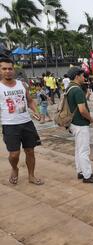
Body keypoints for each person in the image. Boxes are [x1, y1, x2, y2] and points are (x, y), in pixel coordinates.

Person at [0, 57, 43, 185]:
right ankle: (14, 168)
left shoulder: (22, 84)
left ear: (14, 70)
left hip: (27, 123)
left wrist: (36, 111)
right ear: (0, 71)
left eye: (10, 68)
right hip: (9, 125)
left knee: (30, 151)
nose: (8, 71)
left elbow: (29, 101)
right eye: (4, 69)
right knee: (14, 154)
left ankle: (31, 175)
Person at [66, 67, 93, 184]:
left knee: (78, 149)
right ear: (77, 76)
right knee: (84, 150)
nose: (84, 77)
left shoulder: (69, 88)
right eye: (82, 75)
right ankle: (87, 175)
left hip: (73, 123)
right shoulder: (77, 90)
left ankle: (81, 171)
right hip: (80, 124)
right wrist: (91, 119)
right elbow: (82, 110)